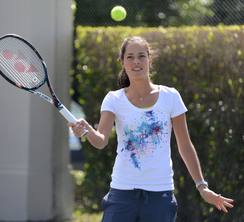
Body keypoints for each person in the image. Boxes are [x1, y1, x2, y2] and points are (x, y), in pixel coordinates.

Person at [68, 36, 234, 222]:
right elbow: (100, 141)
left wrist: (202, 186)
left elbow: (185, 145)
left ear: (150, 60)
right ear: (122, 63)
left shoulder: (170, 96)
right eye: (130, 57)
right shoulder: (113, 99)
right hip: (121, 193)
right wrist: (87, 130)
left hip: (160, 195)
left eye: (141, 56)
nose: (136, 61)